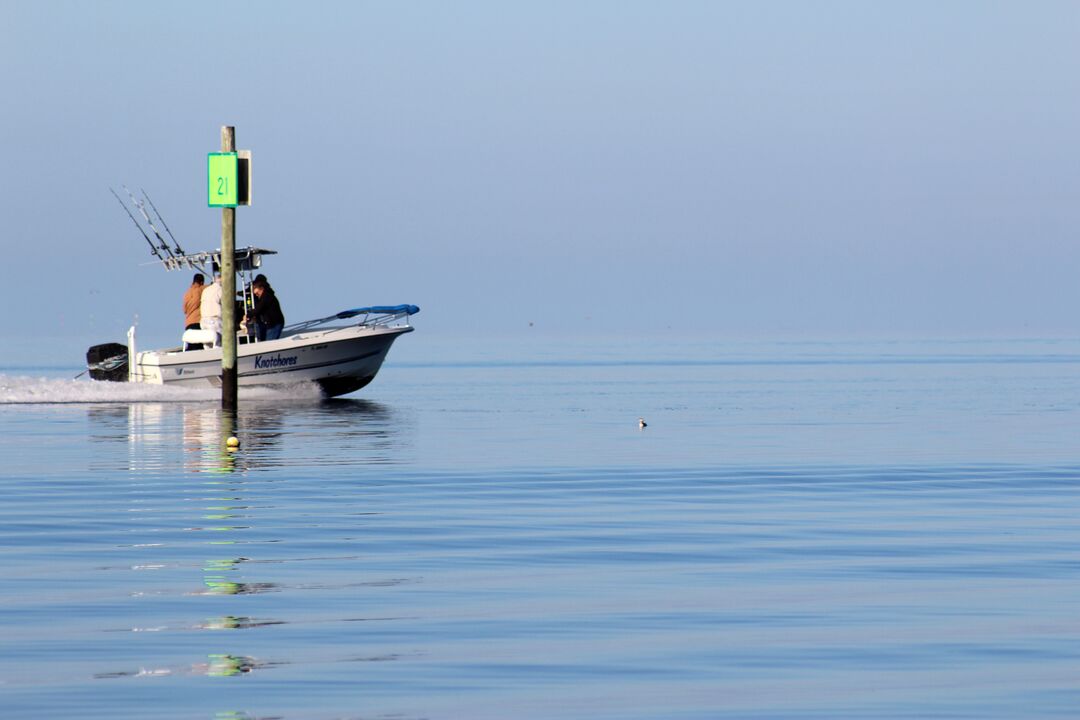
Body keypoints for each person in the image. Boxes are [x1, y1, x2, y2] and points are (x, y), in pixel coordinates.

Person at [200, 272, 223, 347]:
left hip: (203, 321)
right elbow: (227, 304)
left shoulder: (206, 290)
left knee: (207, 344)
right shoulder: (220, 289)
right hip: (214, 320)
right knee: (218, 343)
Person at [182, 273, 205, 350]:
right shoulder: (201, 290)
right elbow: (196, 300)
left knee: (191, 346)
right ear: (202, 282)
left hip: (188, 323)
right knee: (199, 347)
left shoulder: (187, 293)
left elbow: (184, 309)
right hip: (197, 322)